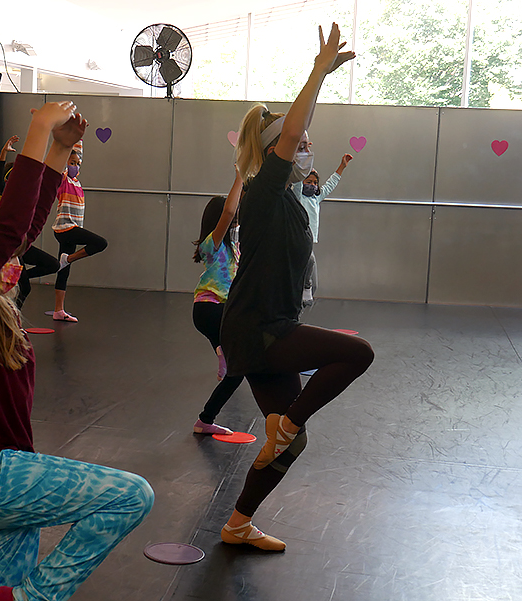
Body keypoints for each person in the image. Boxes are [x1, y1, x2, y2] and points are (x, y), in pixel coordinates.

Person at [0, 101, 153, 601]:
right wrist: (39, 127)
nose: (15, 258)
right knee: (131, 496)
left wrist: (60, 150)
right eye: (3, 251)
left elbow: (26, 226)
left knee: (2, 588)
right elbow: (11, 230)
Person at [218, 23, 374, 552]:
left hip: (267, 328)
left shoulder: (292, 200)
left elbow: (293, 136)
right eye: (297, 143)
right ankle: (286, 426)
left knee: (291, 440)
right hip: (257, 328)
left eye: (308, 143)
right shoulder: (262, 194)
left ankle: (238, 522)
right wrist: (317, 72)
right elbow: (286, 134)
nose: (305, 148)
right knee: (358, 353)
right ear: (275, 151)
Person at [192, 169, 245, 436]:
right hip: (209, 308)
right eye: (232, 218)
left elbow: (239, 212)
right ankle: (223, 355)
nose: (235, 221)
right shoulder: (210, 246)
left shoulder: (233, 248)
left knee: (236, 370)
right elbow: (227, 213)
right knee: (238, 367)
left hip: (220, 311)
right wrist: (239, 177)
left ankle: (205, 420)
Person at [0, 134, 60, 308]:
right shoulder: (2, 192)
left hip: (19, 246)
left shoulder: (25, 203)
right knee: (20, 288)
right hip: (7, 247)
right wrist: (3, 153)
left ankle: (12, 308)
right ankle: (9, 316)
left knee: (52, 264)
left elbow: (43, 196)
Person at [51, 142, 108, 322]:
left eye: (77, 164)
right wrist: (73, 138)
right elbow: (63, 159)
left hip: (73, 229)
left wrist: (81, 138)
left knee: (63, 271)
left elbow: (79, 154)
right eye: (72, 163)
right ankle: (67, 259)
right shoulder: (64, 180)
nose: (75, 166)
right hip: (65, 228)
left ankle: (58, 310)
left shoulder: (77, 182)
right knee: (100, 243)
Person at [292, 153, 353, 305]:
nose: (312, 185)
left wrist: (342, 167)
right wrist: (302, 157)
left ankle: (303, 300)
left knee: (314, 281)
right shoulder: (298, 197)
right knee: (310, 260)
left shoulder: (315, 199)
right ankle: (304, 288)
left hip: (309, 241)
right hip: (298, 241)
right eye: (309, 182)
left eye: (314, 183)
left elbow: (330, 184)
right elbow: (298, 182)